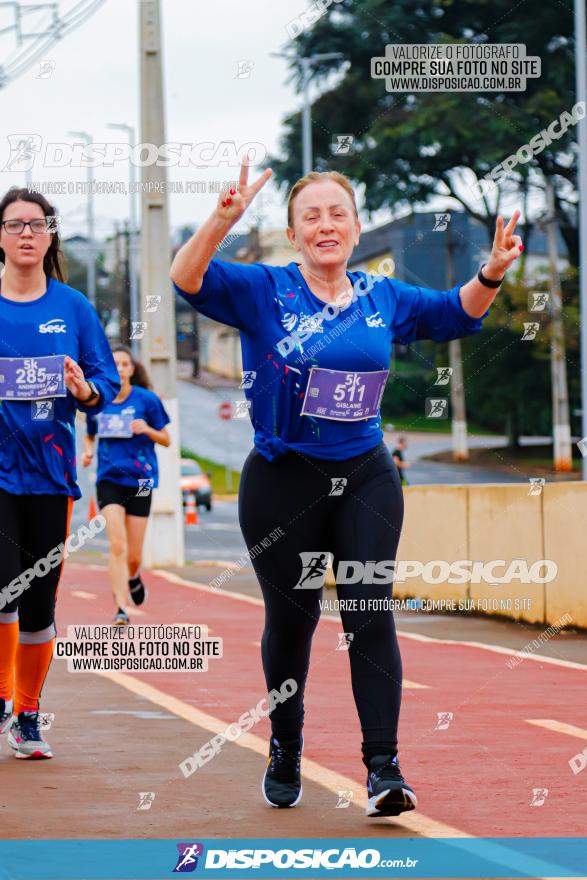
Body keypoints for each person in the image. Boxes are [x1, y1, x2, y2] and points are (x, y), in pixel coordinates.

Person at [170, 160, 522, 817]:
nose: (325, 224)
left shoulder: (379, 297)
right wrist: (221, 220)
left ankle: (384, 770)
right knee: (293, 622)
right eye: (311, 215)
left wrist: (493, 270)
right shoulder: (262, 290)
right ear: (294, 232)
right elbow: (186, 278)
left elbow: (452, 313)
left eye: (337, 214)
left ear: (356, 230)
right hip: (282, 479)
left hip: (364, 474)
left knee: (368, 615)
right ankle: (285, 743)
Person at [0, 187, 119, 759]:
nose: (26, 233)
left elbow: (106, 384)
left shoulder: (73, 307)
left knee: (40, 605)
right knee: (3, 589)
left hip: (50, 474)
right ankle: (2, 699)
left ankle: (27, 716)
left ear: (50, 237)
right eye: (15, 224)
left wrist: (84, 388)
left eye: (38, 224)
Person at [82, 345, 171, 626]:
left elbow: (167, 439)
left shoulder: (147, 400)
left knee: (133, 555)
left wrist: (147, 429)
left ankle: (133, 575)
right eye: (114, 365)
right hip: (109, 480)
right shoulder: (100, 401)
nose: (119, 369)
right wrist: (87, 452)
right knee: (117, 546)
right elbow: (90, 435)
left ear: (131, 369)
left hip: (142, 481)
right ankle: (121, 608)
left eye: (124, 364)